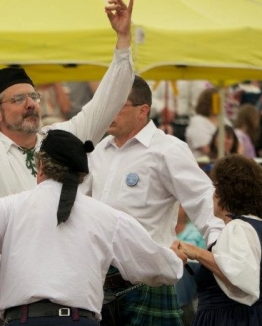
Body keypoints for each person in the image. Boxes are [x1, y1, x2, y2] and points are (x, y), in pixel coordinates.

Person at [0, 1, 135, 324]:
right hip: (9, 277)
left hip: (70, 271)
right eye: (19, 99)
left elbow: (108, 101)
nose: (30, 105)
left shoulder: (61, 138)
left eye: (33, 97)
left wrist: (123, 43)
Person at [0, 129, 185, 326]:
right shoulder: (107, 217)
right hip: (78, 320)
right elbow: (157, 266)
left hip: (24, 320)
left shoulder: (7, 208)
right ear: (83, 175)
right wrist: (174, 259)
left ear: (41, 166)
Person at [79, 75, 224, 326]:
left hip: (148, 283)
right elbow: (79, 206)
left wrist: (222, 248)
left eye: (117, 105)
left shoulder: (168, 150)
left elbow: (203, 200)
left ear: (142, 111)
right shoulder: (97, 152)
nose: (108, 112)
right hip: (99, 284)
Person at [177, 154, 262, 325]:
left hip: (233, 319)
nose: (213, 194)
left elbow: (241, 278)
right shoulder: (256, 227)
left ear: (227, 193)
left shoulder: (238, 227)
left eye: (217, 188)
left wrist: (197, 253)